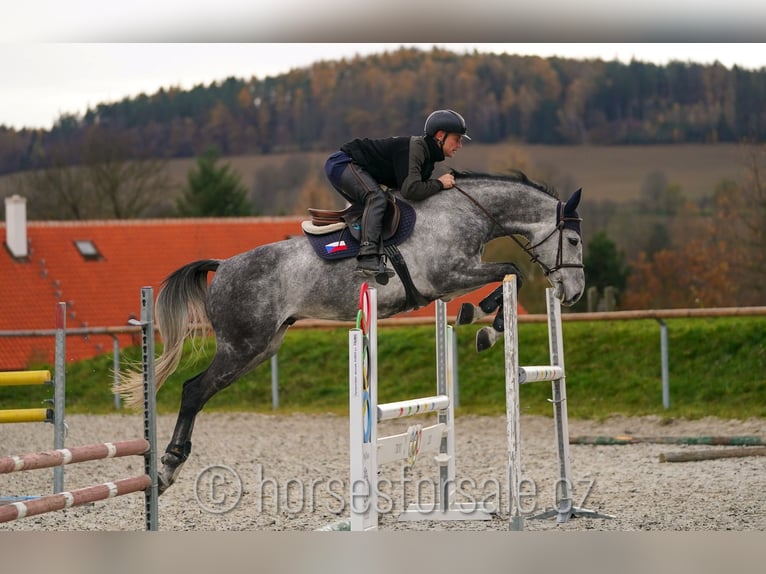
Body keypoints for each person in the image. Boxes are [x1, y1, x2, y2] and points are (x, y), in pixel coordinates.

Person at [325, 109, 470, 280]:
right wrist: (439, 183)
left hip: (354, 168)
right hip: (343, 163)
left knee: (385, 205)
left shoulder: (428, 159)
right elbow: (410, 190)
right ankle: (368, 257)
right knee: (376, 198)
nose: (460, 145)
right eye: (457, 139)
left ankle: (375, 256)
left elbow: (408, 192)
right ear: (440, 135)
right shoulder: (416, 148)